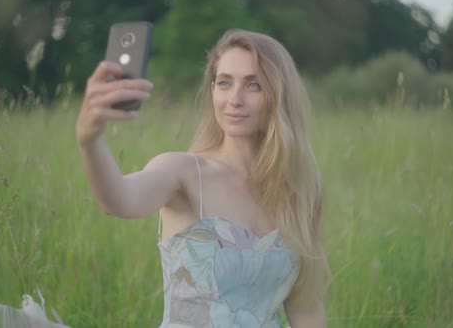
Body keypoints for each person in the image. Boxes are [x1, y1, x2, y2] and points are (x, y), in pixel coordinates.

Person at [76, 28, 331, 327]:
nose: (234, 99)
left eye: (253, 85)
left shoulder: (299, 192)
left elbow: (306, 310)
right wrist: (90, 140)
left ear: (279, 95)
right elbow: (118, 200)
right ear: (212, 90)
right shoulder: (183, 173)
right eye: (224, 83)